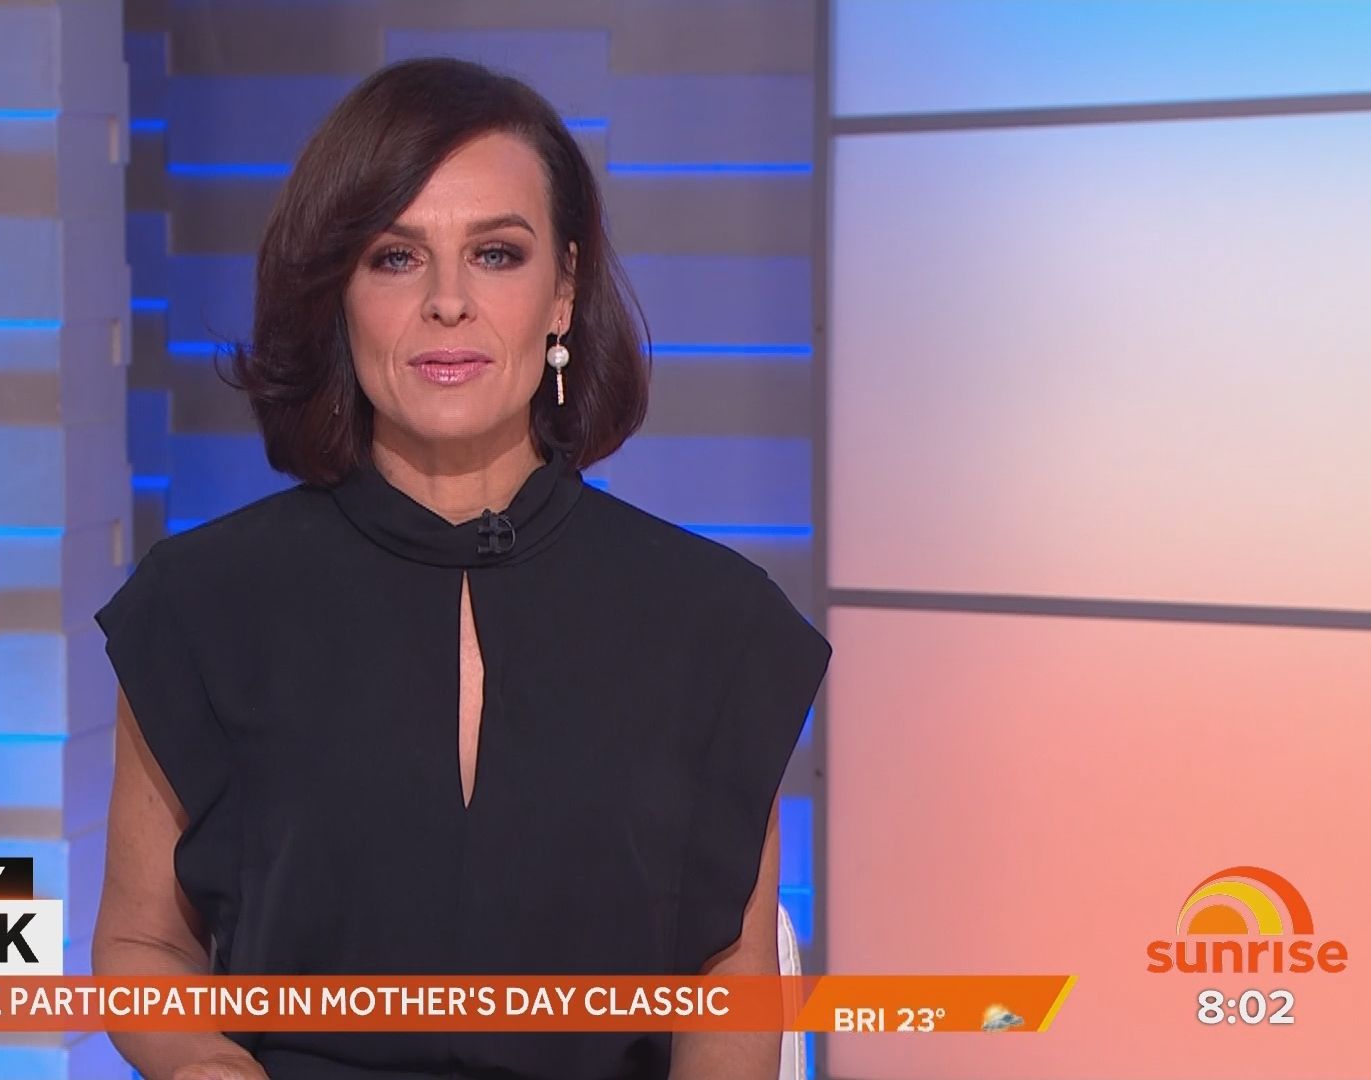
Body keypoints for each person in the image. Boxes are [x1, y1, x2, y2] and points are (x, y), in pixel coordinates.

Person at [92, 57, 832, 1080]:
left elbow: (730, 971)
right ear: (338, 292)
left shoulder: (713, 621)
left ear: (564, 290)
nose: (448, 302)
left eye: (495, 254)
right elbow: (142, 945)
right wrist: (201, 1066)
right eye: (396, 258)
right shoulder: (198, 606)